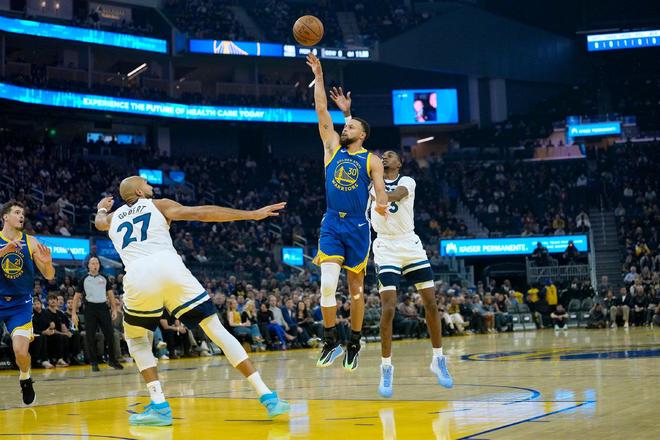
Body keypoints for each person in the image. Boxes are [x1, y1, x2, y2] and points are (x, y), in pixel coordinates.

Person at [94, 176, 289, 426]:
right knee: (215, 329)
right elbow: (201, 213)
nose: (152, 186)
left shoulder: (112, 218)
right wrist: (251, 214)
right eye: (147, 184)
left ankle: (159, 405)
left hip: (138, 275)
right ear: (139, 192)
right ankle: (267, 396)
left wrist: (101, 208)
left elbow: (99, 223)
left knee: (136, 339)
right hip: (170, 267)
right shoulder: (159, 205)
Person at [306, 53, 388, 370]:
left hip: (357, 227)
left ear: (362, 135)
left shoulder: (372, 160)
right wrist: (319, 75)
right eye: (345, 124)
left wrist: (381, 203)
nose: (345, 127)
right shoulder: (331, 148)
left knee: (356, 291)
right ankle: (330, 340)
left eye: (350, 125)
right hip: (331, 223)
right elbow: (321, 109)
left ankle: (354, 341)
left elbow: (379, 188)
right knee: (327, 284)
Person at [367, 148, 453, 397]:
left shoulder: (407, 181)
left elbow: (394, 196)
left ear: (400, 162)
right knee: (389, 308)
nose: (385, 157)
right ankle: (386, 367)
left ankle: (438, 359)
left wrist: (378, 194)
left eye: (390, 155)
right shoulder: (372, 182)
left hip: (409, 244)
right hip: (385, 246)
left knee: (431, 304)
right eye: (382, 155)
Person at [0, 200, 55, 405]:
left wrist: (47, 264)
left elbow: (49, 276)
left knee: (21, 352)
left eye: (22, 213)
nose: (21, 216)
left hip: (20, 304)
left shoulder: (30, 242)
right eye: (16, 212)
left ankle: (25, 376)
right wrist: (4, 251)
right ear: (5, 217)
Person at [71, 257, 123, 371]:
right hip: (90, 308)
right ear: (88, 265)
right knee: (90, 336)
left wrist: (114, 309)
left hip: (103, 308)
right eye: (93, 263)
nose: (95, 265)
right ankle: (94, 362)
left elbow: (110, 295)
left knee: (110, 335)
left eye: (97, 263)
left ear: (99, 265)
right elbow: (76, 297)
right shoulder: (84, 279)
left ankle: (112, 360)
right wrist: (73, 313)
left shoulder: (104, 278)